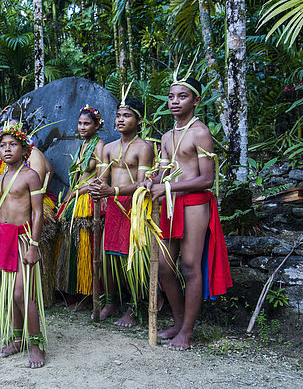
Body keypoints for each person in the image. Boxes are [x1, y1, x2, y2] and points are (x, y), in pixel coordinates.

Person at [144, 76, 232, 350]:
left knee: (190, 266)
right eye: (171, 97)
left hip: (194, 203)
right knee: (164, 267)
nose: (174, 102)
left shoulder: (200, 132)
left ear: (196, 100)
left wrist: (167, 186)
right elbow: (161, 172)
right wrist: (151, 181)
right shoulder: (167, 136)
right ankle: (179, 322)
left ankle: (188, 332)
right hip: (170, 203)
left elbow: (207, 178)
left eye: (182, 96)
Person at [89, 97, 154, 326]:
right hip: (112, 206)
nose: (120, 120)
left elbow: (143, 183)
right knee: (107, 258)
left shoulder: (144, 148)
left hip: (132, 209)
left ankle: (135, 306)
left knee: (130, 258)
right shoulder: (108, 148)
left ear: (139, 120)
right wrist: (95, 187)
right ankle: (111, 301)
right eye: (118, 115)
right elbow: (101, 179)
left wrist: (111, 191)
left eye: (126, 115)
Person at [0, 123, 46, 369]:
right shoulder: (0, 179)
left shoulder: (30, 175)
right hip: (2, 238)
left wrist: (34, 245)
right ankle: (17, 339)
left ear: (24, 149)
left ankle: (36, 344)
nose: (7, 149)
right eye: (3, 145)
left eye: (13, 144)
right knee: (8, 293)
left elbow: (38, 213)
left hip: (23, 238)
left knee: (22, 292)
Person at [55, 105, 105, 310]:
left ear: (97, 125)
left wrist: (78, 192)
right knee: (71, 246)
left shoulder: (99, 146)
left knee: (86, 246)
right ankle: (73, 293)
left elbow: (101, 178)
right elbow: (77, 175)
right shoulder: (82, 146)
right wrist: (69, 195)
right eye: (80, 123)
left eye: (87, 123)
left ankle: (89, 296)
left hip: (87, 199)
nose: (82, 127)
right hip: (75, 197)